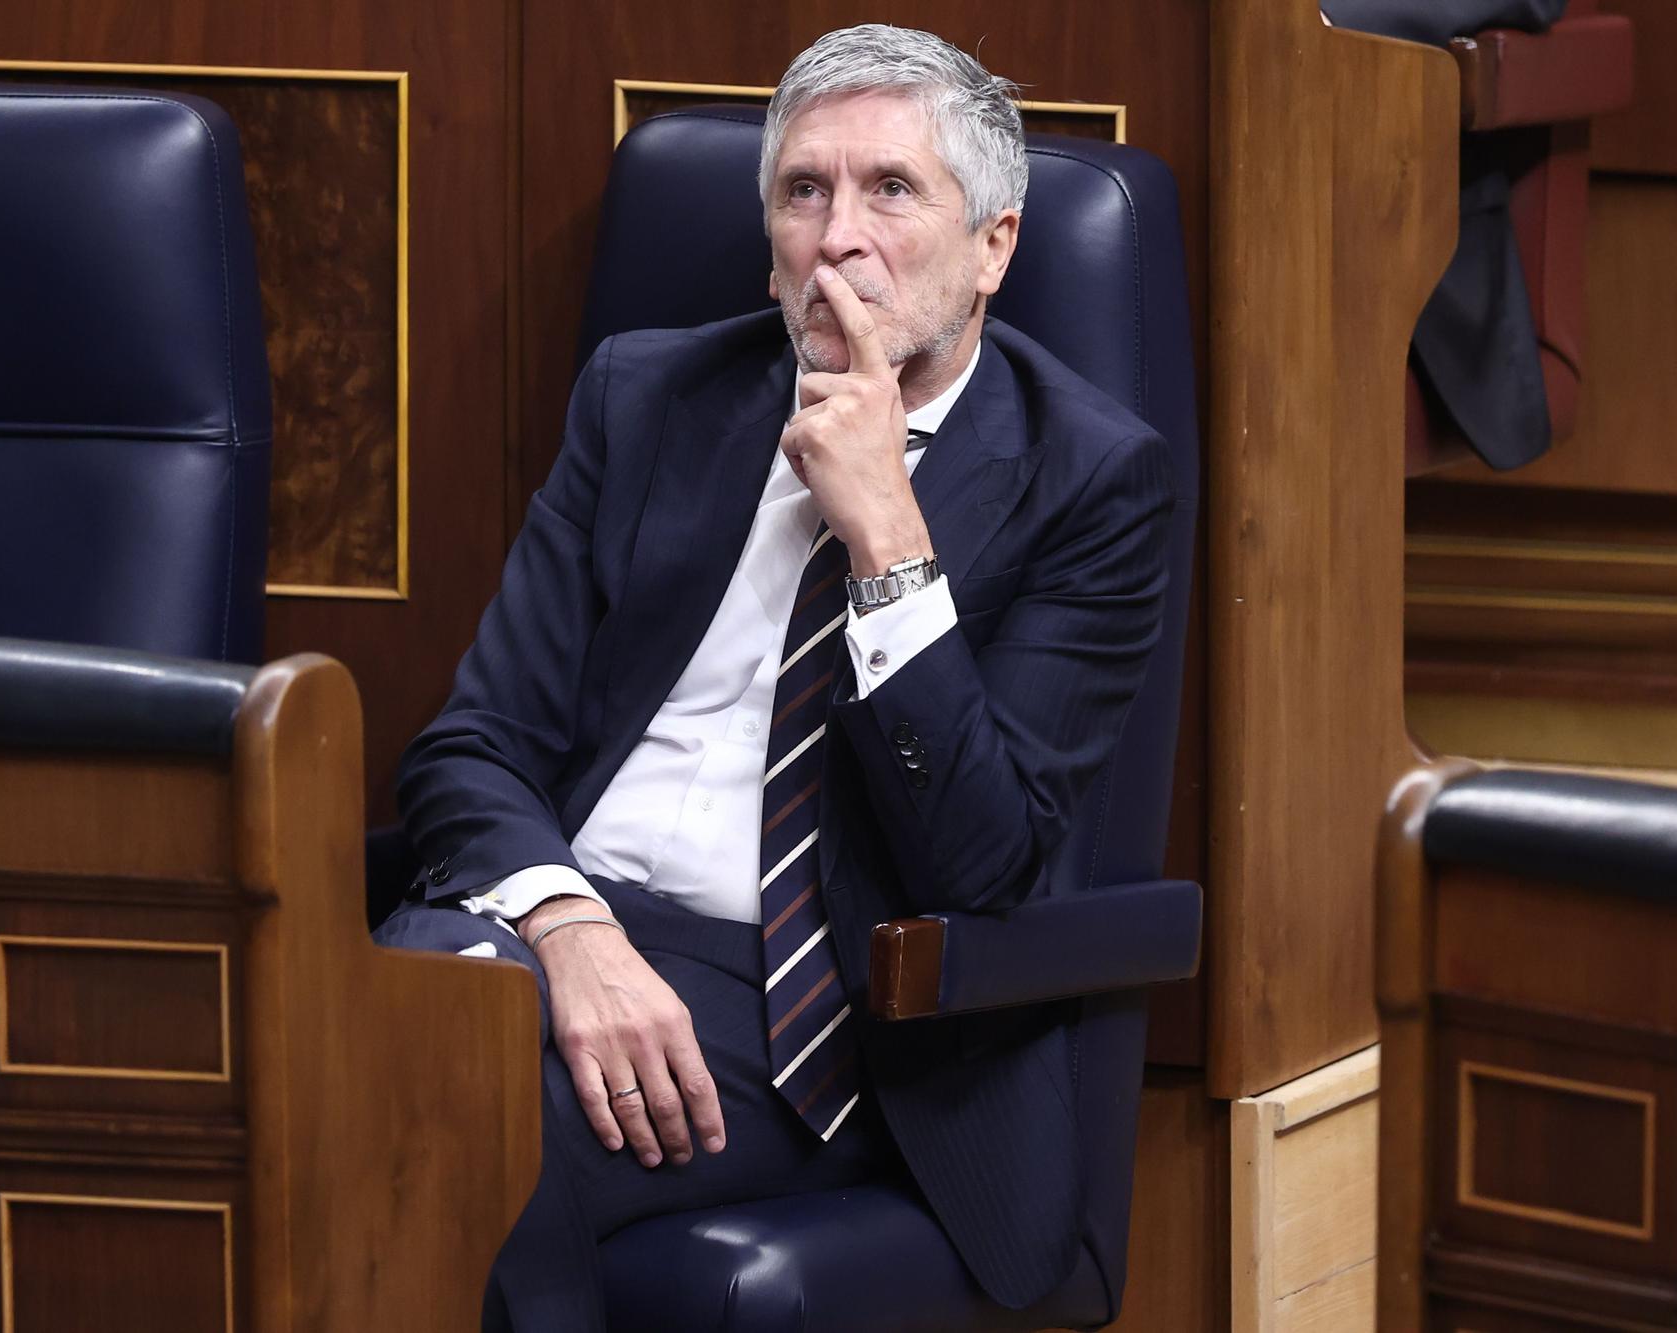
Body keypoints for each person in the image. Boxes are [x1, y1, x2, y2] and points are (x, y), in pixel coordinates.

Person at [377, 23, 1175, 1331]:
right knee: (340, 1051)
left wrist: (888, 541)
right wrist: (571, 930)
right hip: (546, 931)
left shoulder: (1090, 482)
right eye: (804, 191)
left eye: (890, 191)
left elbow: (985, 862)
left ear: (996, 247)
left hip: (816, 994)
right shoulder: (649, 400)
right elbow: (471, 748)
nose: (837, 237)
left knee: (457, 1127)